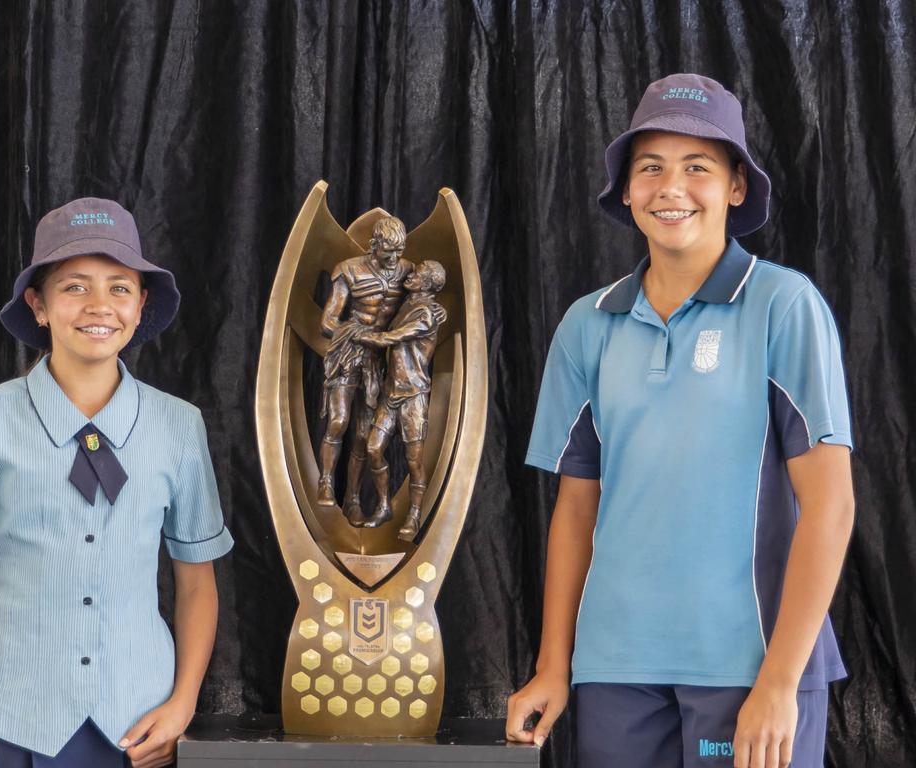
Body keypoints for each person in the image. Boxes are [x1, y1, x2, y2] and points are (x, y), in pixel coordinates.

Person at [506, 74, 854, 768]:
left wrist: (781, 683)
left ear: (733, 187)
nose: (672, 188)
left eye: (698, 167)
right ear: (627, 190)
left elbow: (832, 506)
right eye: (651, 168)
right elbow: (576, 508)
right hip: (615, 671)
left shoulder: (784, 307)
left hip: (748, 665)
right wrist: (554, 665)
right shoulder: (587, 323)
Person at [0, 198, 234, 768]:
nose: (98, 306)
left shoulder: (178, 426)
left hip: (140, 730)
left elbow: (196, 585)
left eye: (119, 288)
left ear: (141, 305)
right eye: (74, 287)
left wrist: (182, 705)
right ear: (37, 305)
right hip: (13, 727)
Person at [316, 216, 414, 526]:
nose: (393, 259)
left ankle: (354, 499)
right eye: (388, 252)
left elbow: (422, 302)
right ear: (374, 245)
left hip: (380, 360)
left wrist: (436, 310)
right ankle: (327, 481)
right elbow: (327, 322)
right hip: (348, 352)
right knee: (338, 420)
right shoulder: (349, 270)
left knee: (362, 435)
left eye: (399, 252)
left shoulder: (407, 271)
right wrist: (360, 334)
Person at [355, 260, 448, 537]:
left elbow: (394, 337)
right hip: (391, 392)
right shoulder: (408, 303)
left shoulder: (427, 314)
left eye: (418, 273)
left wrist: (362, 336)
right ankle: (384, 506)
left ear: (429, 284)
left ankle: (415, 515)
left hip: (413, 396)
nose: (412, 274)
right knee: (373, 448)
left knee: (414, 461)